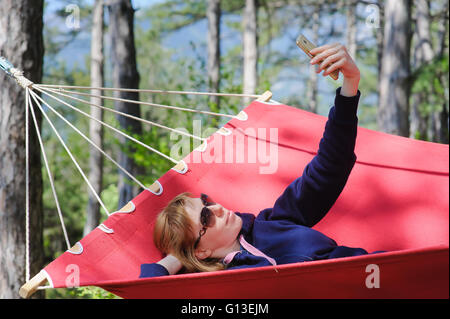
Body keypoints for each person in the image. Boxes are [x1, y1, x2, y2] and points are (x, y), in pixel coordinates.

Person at [140, 43, 378, 278]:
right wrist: (174, 260)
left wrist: (350, 85)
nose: (218, 208)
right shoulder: (223, 286)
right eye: (206, 216)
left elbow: (330, 167)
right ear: (201, 251)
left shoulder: (276, 220)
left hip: (374, 280)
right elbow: (151, 293)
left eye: (207, 201)